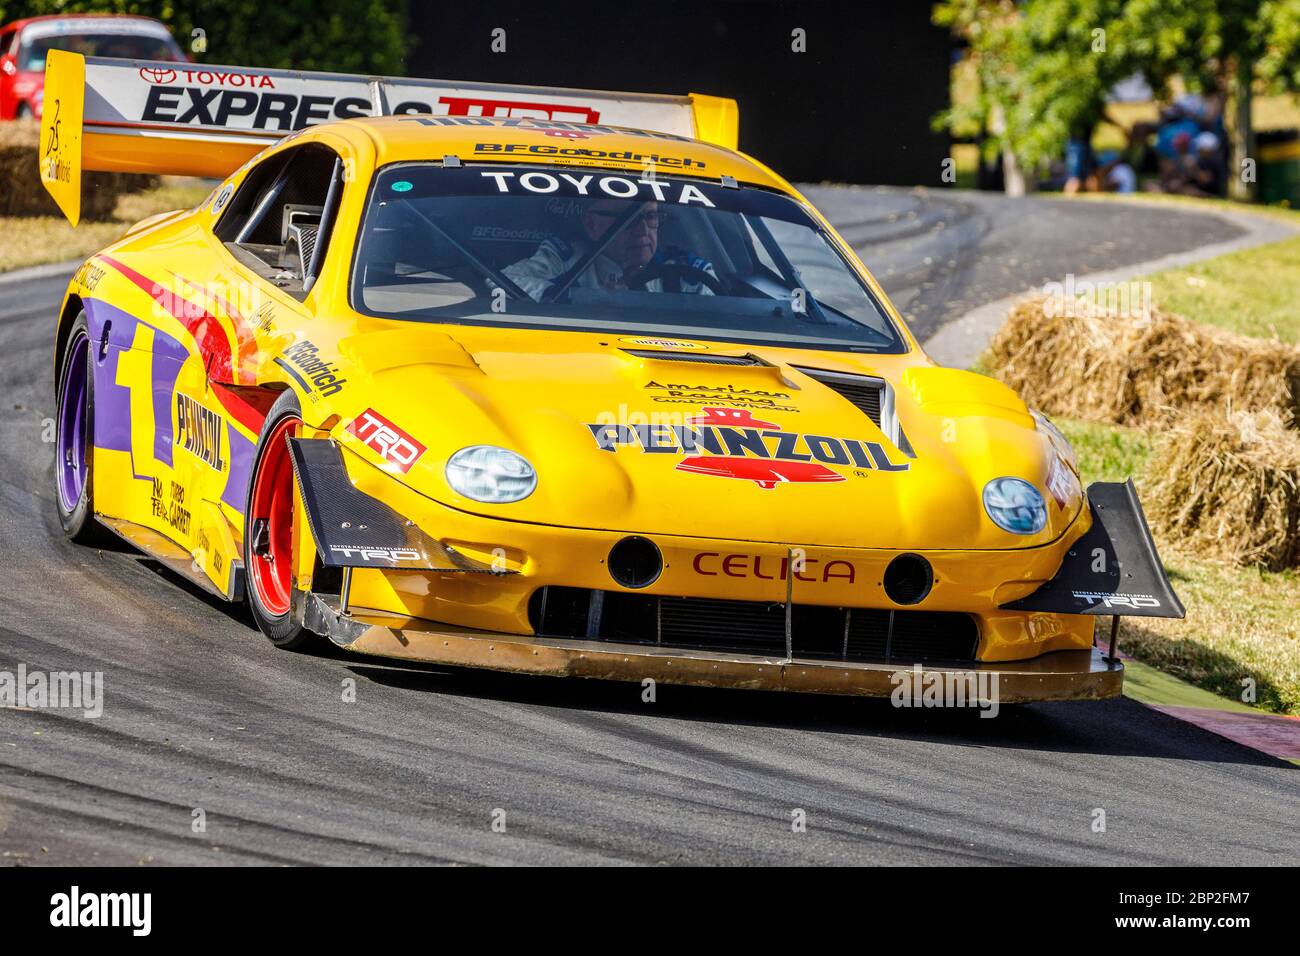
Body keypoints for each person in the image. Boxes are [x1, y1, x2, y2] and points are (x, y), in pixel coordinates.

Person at [503, 198, 718, 301]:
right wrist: (582, 298)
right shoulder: (566, 259)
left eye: (650, 217)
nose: (642, 230)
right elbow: (502, 281)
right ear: (591, 224)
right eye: (628, 219)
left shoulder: (689, 275)